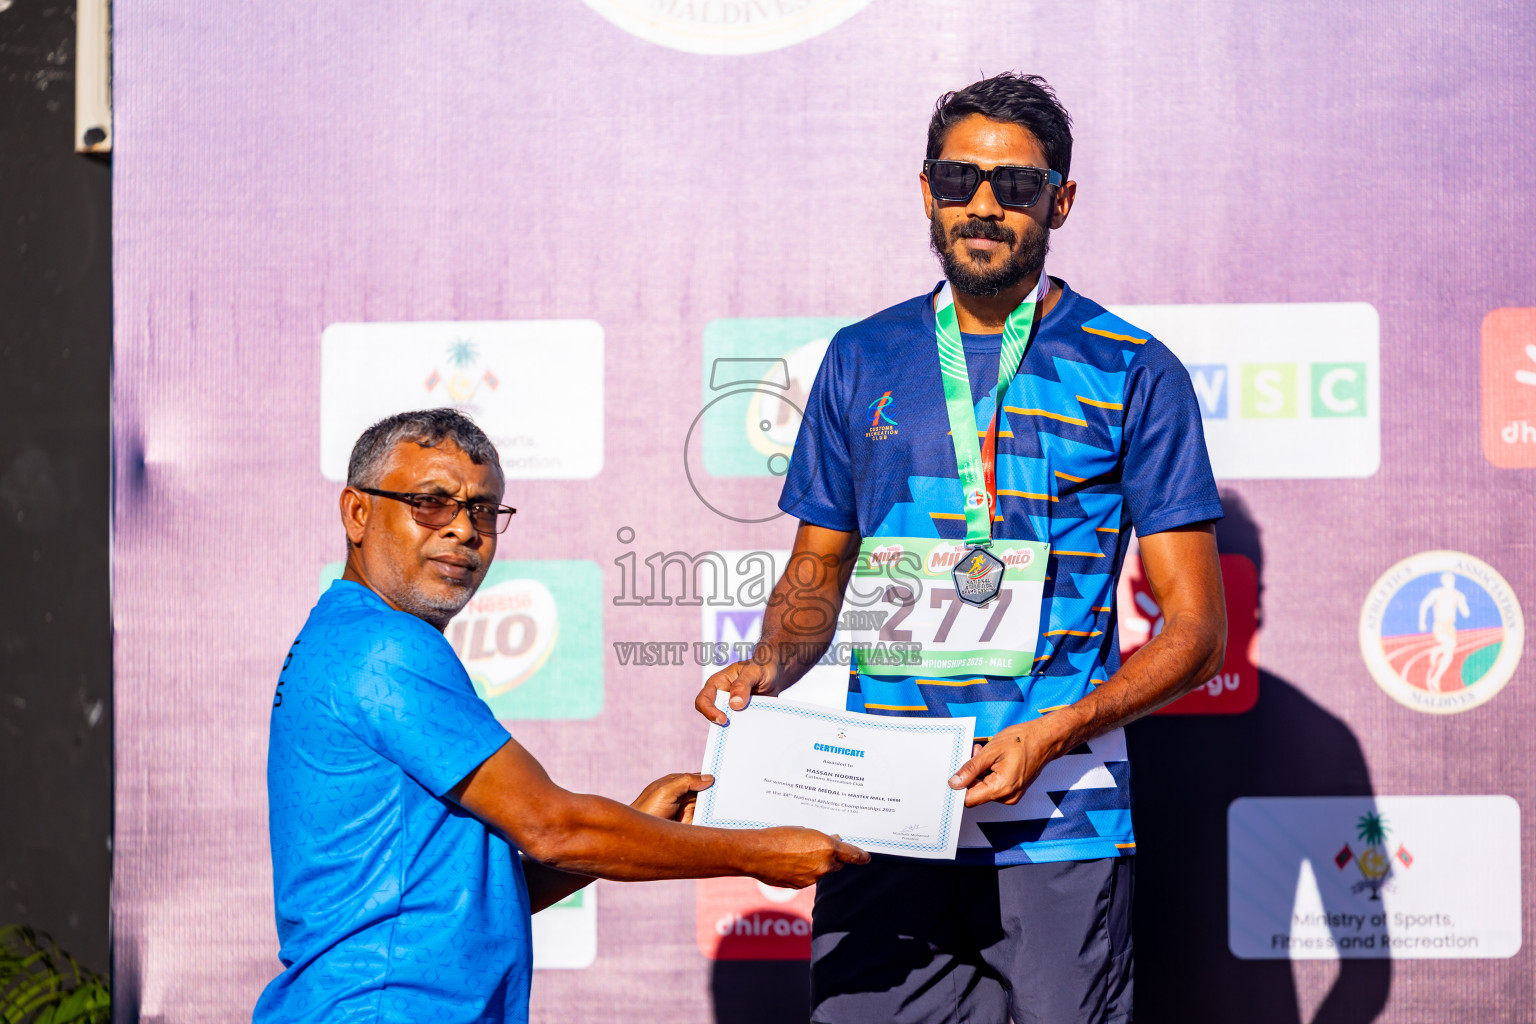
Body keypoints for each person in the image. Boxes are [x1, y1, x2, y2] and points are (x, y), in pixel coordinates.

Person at [693, 73, 1227, 1024]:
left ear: (1060, 200)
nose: (983, 205)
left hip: (1059, 816)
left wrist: (1056, 731)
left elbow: (1196, 632)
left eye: (1016, 186)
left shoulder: (1133, 369)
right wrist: (765, 667)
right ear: (927, 189)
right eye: (958, 179)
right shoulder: (863, 356)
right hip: (885, 813)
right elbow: (817, 570)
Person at [255, 409, 866, 1024]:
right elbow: (553, 827)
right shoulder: (387, 647)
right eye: (431, 503)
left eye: (483, 510)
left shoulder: (346, 630)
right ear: (358, 513)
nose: (465, 530)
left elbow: (464, 897)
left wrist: (631, 825)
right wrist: (757, 853)